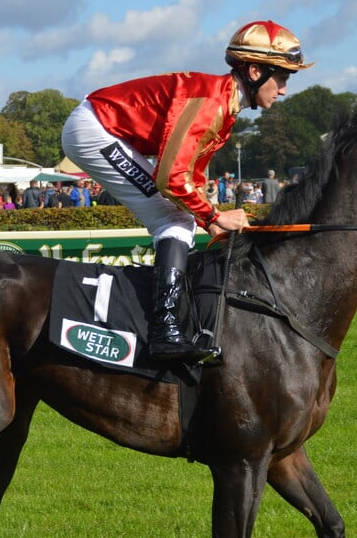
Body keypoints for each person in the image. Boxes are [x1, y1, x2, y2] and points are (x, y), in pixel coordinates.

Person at [62, 19, 312, 362]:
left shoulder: (225, 105)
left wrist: (209, 220)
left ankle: (170, 323)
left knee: (179, 218)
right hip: (92, 129)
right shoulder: (212, 103)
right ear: (255, 71)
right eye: (282, 77)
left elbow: (189, 175)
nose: (283, 89)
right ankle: (164, 331)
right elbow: (171, 179)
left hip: (101, 127)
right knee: (173, 220)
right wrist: (213, 214)